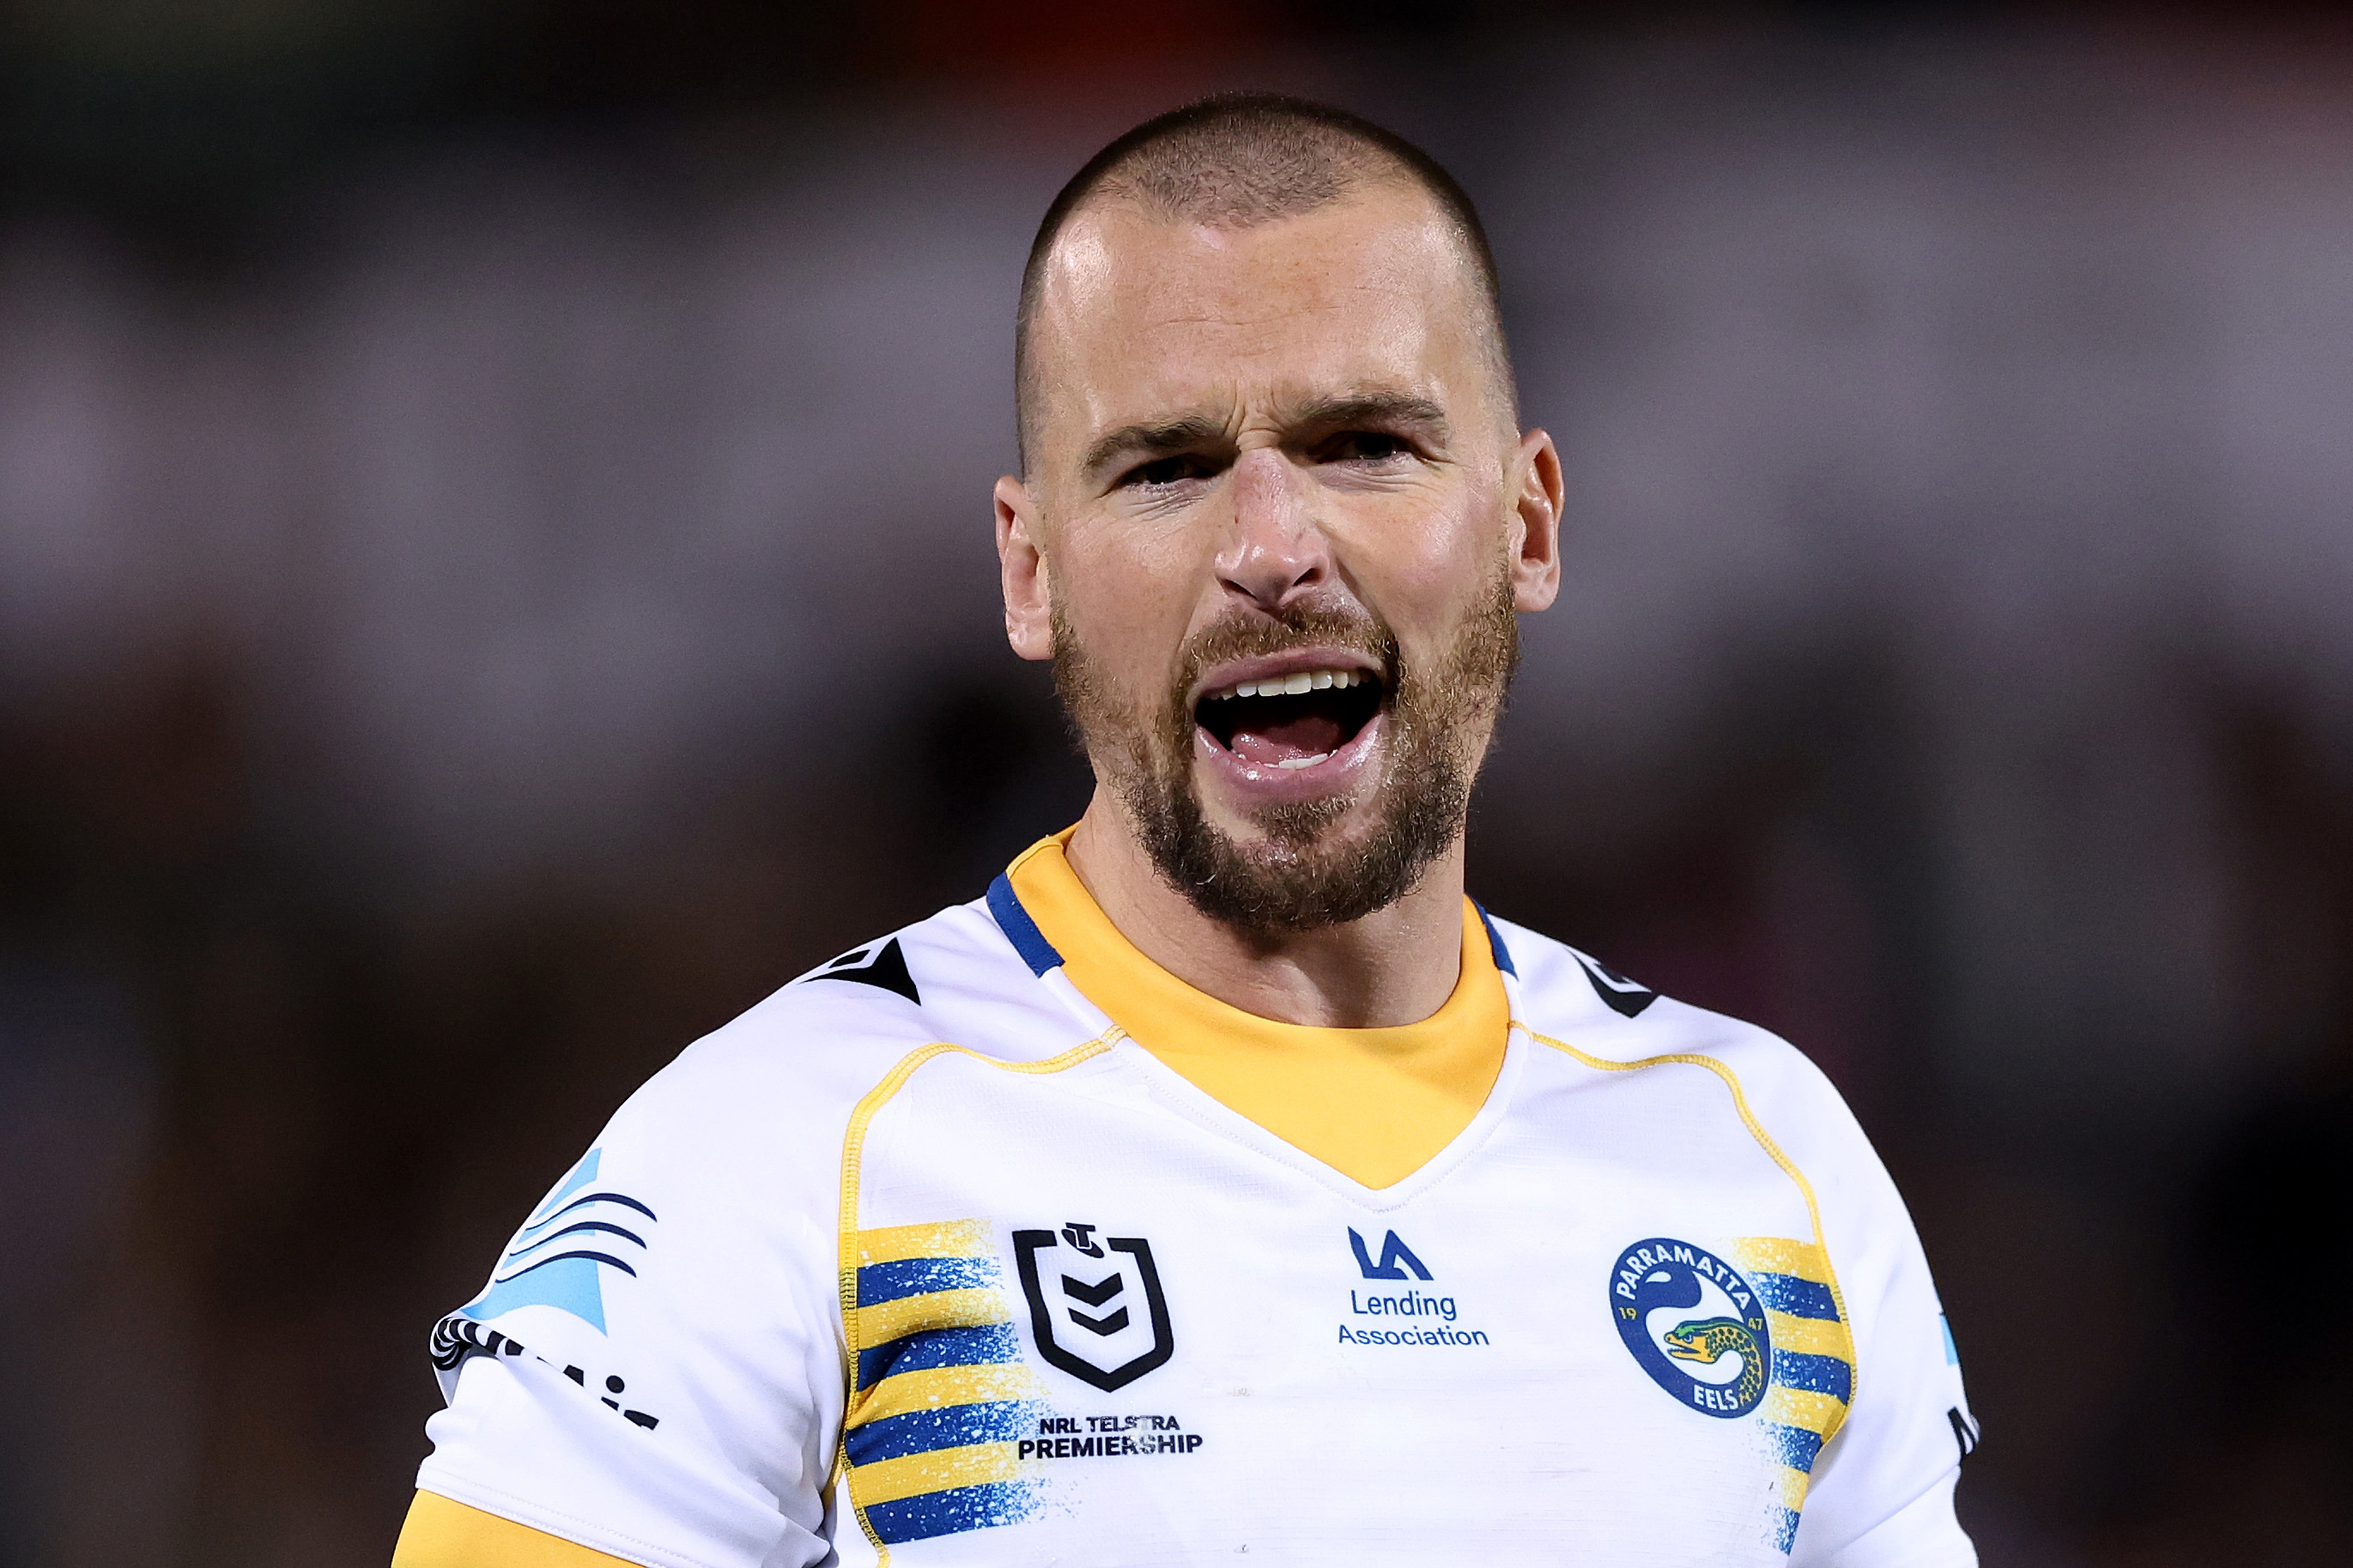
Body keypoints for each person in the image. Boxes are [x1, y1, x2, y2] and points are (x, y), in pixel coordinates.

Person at [391, 94, 1977, 1567]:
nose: (1272, 548)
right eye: (1166, 469)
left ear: (1526, 520)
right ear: (1032, 573)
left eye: (1364, 445)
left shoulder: (1763, 1165)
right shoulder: (787, 1158)